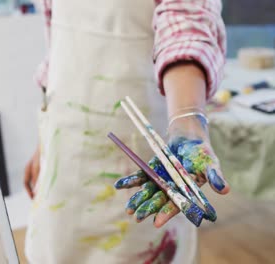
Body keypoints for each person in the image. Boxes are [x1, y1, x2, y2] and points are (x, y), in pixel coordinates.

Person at [23, 0, 230, 263]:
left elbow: (185, 30)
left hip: (140, 164)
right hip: (63, 148)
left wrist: (188, 123)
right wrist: (44, 143)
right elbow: (60, 50)